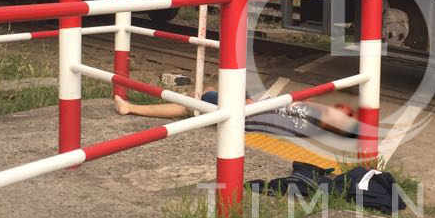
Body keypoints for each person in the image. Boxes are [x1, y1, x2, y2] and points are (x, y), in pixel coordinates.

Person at [114, 89, 360, 137]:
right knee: (196, 103)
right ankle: (132, 107)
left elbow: (283, 110)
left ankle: (131, 107)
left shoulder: (310, 122)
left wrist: (247, 103)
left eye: (346, 114)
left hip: (244, 114)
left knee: (196, 101)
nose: (344, 108)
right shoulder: (311, 122)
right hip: (249, 112)